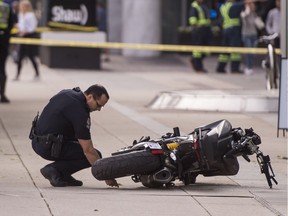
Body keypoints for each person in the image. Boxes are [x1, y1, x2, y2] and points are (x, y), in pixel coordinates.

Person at [29, 84, 119, 187]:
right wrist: (106, 177)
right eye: (98, 105)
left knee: (80, 145)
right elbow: (88, 150)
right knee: (94, 155)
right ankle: (54, 170)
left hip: (38, 141)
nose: (98, 109)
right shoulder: (79, 112)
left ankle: (63, 174)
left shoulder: (68, 93)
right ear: (89, 97)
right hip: (48, 147)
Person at [216, 0, 245, 74]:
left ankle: (220, 68)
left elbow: (220, 20)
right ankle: (234, 69)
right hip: (233, 30)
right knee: (235, 50)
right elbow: (244, 3)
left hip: (226, 29)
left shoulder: (223, 7)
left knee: (225, 50)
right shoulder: (233, 6)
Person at [14, 0, 39, 81]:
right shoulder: (21, 14)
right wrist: (17, 27)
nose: (22, 7)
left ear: (28, 7)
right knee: (20, 57)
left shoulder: (31, 15)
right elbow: (21, 25)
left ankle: (37, 74)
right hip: (22, 37)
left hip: (29, 37)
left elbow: (32, 27)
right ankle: (17, 75)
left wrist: (25, 31)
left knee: (31, 56)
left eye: (24, 6)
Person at [240, 1, 264, 75]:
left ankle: (250, 67)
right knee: (249, 52)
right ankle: (248, 67)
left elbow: (260, 26)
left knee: (253, 53)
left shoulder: (254, 14)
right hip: (246, 35)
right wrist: (247, 9)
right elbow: (244, 17)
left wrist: (258, 18)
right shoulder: (243, 13)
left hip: (254, 35)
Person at [188, 0, 212, 73]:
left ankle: (194, 60)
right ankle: (199, 67)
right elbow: (192, 20)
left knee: (206, 50)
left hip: (206, 30)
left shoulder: (204, 6)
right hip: (198, 30)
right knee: (198, 50)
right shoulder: (194, 7)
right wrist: (196, 27)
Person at [0, 0, 14, 103]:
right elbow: (11, 23)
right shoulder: (6, 7)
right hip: (3, 39)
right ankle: (3, 95)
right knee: (2, 68)